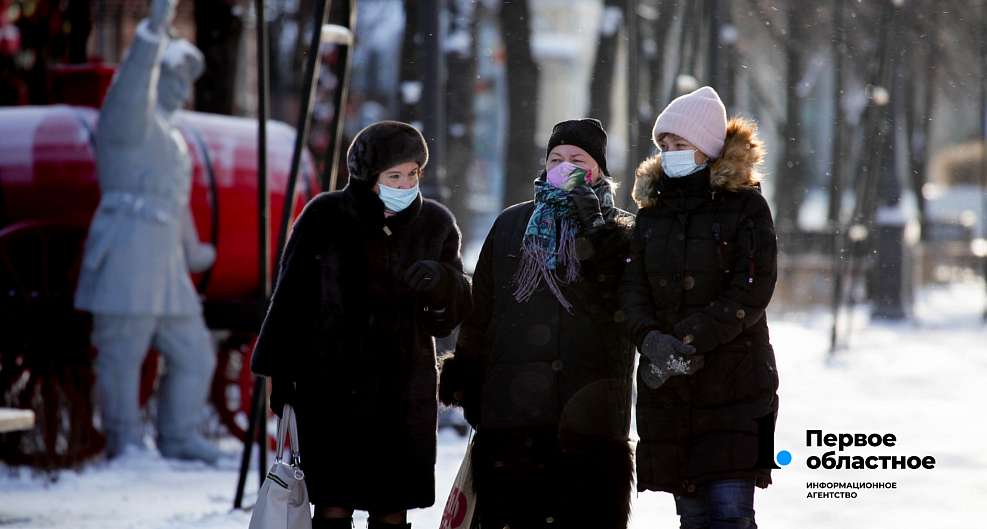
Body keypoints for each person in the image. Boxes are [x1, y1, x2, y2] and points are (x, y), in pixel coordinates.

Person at [250, 121, 473, 529]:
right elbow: (292, 299)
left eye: (412, 173)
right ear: (369, 177)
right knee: (333, 502)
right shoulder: (326, 215)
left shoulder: (435, 223)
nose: (405, 184)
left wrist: (443, 282)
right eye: (394, 176)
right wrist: (282, 376)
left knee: (392, 505)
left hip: (403, 394)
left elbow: (447, 322)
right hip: (333, 386)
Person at [440, 118, 636, 529]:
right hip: (511, 417)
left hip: (590, 420)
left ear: (598, 170)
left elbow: (623, 302)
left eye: (577, 159)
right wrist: (471, 385)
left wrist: (595, 229)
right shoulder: (511, 224)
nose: (564, 166)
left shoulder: (622, 230)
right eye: (556, 158)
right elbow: (483, 311)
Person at [618, 86, 779, 529]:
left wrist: (685, 342)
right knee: (691, 517)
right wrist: (651, 340)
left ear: (707, 150)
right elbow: (632, 289)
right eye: (664, 146)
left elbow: (751, 289)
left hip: (739, 387)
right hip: (670, 392)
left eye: (680, 146)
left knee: (730, 515)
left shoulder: (747, 207)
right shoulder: (652, 213)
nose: (669, 154)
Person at [74, 0, 220, 464]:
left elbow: (176, 202)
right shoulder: (127, 119)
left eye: (186, 81)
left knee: (194, 352)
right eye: (172, 77)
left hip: (166, 261)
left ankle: (177, 436)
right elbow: (133, 82)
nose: (179, 88)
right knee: (122, 354)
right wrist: (154, 32)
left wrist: (193, 247)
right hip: (129, 248)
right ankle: (124, 441)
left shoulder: (171, 134)